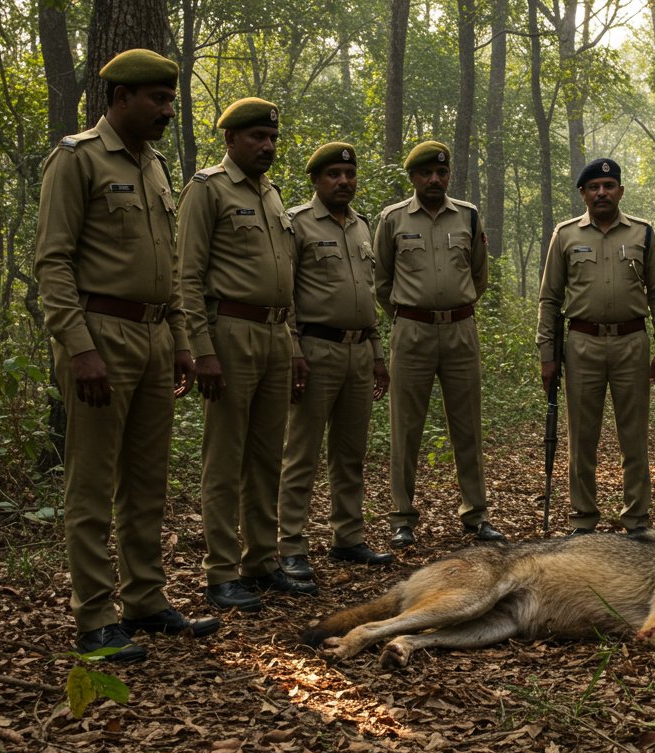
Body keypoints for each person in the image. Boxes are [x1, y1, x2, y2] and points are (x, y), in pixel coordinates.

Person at [35, 48, 219, 661]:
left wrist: (183, 343)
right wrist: (79, 347)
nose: (169, 109)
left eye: (170, 99)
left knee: (148, 481)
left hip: (155, 336)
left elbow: (168, 269)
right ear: (120, 98)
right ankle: (94, 616)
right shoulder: (77, 159)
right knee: (92, 483)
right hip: (101, 334)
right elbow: (53, 263)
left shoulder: (156, 166)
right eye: (158, 99)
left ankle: (145, 598)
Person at [178, 97, 317, 611]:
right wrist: (201, 349)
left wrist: (295, 345)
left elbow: (286, 278)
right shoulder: (207, 188)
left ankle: (261, 560)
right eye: (257, 137)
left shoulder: (273, 195)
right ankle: (220, 572)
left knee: (265, 457)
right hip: (230, 333)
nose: (268, 146)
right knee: (225, 457)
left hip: (276, 335)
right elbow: (187, 275)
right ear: (231, 139)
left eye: (272, 138)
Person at [372, 141, 503, 548]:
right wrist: (413, 313)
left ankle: (476, 513)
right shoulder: (392, 219)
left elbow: (479, 276)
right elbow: (381, 281)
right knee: (405, 426)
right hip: (411, 331)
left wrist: (453, 306)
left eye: (441, 173)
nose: (434, 179)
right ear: (412, 177)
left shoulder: (468, 215)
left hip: (461, 330)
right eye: (426, 173)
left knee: (467, 426)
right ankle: (401, 517)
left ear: (449, 175)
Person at [275, 142, 394, 582]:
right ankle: (291, 546)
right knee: (301, 452)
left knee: (350, 453)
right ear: (317, 180)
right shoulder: (297, 224)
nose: (344, 182)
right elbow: (284, 294)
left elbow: (368, 296)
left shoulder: (363, 227)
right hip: (315, 349)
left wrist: (378, 354)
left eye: (349, 174)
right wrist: (292, 351)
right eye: (334, 175)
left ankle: (348, 537)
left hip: (360, 351)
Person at [536, 158, 655, 534]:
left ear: (620, 191)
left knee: (634, 436)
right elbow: (549, 299)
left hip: (632, 342)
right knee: (582, 437)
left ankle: (637, 519)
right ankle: (583, 518)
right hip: (582, 345)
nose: (601, 193)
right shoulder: (565, 235)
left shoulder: (642, 234)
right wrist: (547, 355)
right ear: (583, 193)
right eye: (594, 187)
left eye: (609, 186)